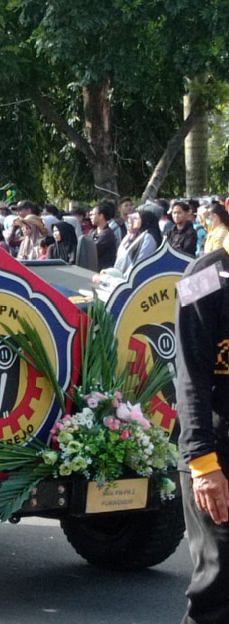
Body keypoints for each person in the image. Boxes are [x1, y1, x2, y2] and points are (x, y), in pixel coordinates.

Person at [174, 234, 229, 623]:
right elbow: (189, 376)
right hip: (216, 456)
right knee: (218, 590)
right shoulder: (204, 275)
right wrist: (203, 464)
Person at [114, 205, 163, 274]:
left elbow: (141, 260)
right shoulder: (137, 234)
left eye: (137, 219)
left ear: (144, 220)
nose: (133, 221)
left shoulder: (149, 237)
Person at [89, 202, 119, 269]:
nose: (90, 216)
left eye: (93, 214)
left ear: (101, 216)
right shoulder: (92, 232)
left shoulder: (107, 234)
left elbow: (91, 250)